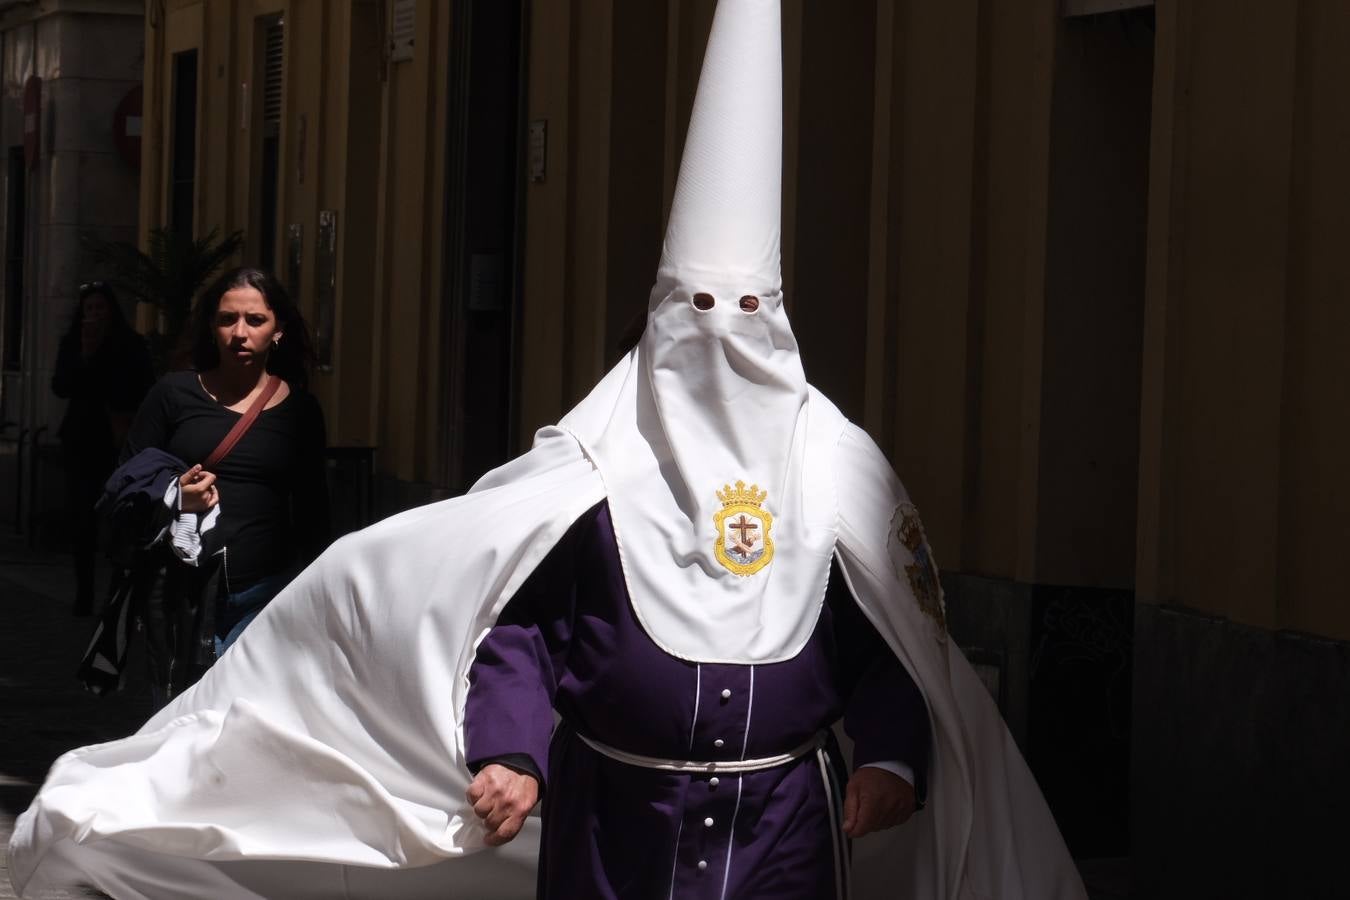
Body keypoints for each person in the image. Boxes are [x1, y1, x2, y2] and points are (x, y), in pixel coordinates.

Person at [8, 3, 1087, 899]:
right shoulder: (590, 475)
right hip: (618, 826)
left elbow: (885, 639)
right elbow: (520, 628)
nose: (723, 334)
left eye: (747, 311)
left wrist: (893, 753)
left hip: (786, 836)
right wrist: (512, 755)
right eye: (698, 312)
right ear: (659, 332)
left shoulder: (834, 471)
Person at [119, 266, 330, 674]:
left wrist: (315, 594)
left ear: (278, 329)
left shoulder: (301, 410)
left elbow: (312, 510)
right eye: (227, 319)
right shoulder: (173, 394)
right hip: (183, 593)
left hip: (266, 594)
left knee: (241, 718)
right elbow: (127, 479)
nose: (240, 332)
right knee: (185, 717)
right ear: (210, 327)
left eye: (255, 320)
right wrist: (176, 495)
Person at [50, 281, 154, 615]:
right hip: (81, 439)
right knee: (81, 516)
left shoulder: (129, 345)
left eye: (100, 308)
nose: (94, 314)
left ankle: (118, 596)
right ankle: (83, 593)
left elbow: (139, 388)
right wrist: (84, 354)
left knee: (121, 519)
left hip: (117, 441)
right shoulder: (73, 344)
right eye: (88, 309)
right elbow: (61, 386)